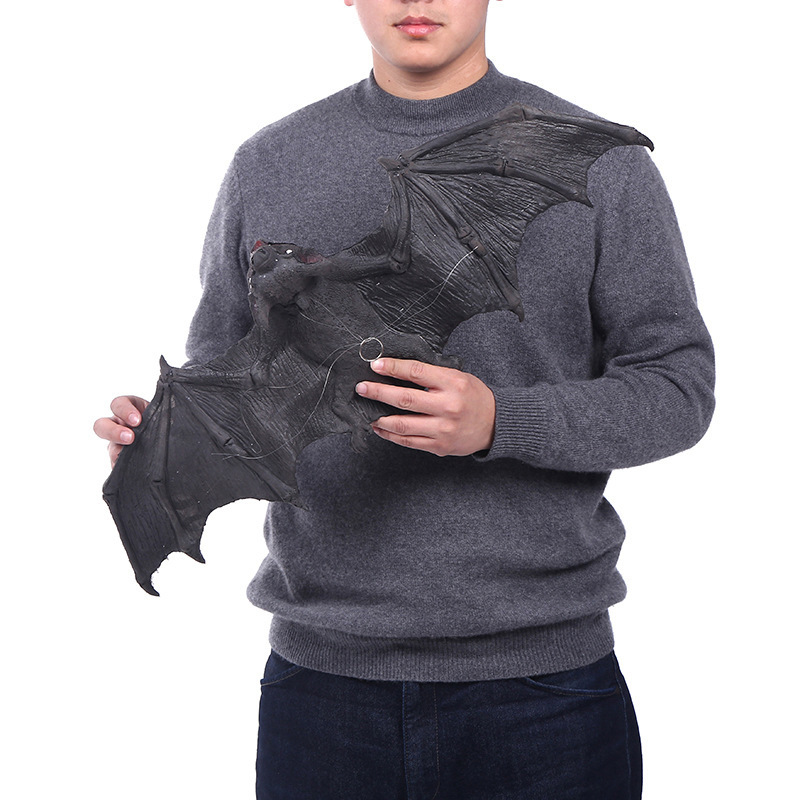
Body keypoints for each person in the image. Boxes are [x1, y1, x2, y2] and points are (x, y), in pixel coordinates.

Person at [94, 1, 715, 797]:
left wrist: (502, 421)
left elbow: (677, 387)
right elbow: (224, 371)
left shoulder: (593, 161)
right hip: (322, 689)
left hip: (542, 684)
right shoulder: (268, 162)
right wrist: (164, 438)